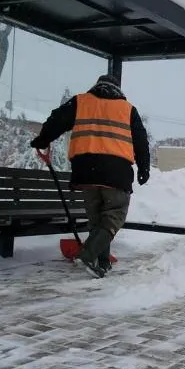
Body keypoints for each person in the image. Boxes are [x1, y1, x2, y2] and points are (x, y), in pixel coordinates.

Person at [30, 74, 151, 278]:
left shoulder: (81, 102)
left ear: (97, 86)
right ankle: (88, 254)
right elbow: (141, 141)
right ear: (118, 89)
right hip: (116, 173)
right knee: (113, 217)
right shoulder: (127, 109)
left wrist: (43, 140)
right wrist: (144, 168)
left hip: (86, 171)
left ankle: (102, 263)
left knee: (97, 219)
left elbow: (56, 120)